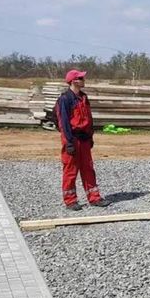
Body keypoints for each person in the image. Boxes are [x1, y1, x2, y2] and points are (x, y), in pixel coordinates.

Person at [55, 69, 108, 209]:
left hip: (84, 139)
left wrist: (90, 136)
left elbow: (89, 119)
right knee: (70, 170)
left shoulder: (84, 97)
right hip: (72, 139)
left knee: (88, 168)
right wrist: (68, 142)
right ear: (73, 81)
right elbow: (63, 123)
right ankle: (70, 200)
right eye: (81, 78)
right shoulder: (65, 99)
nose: (84, 80)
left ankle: (94, 197)